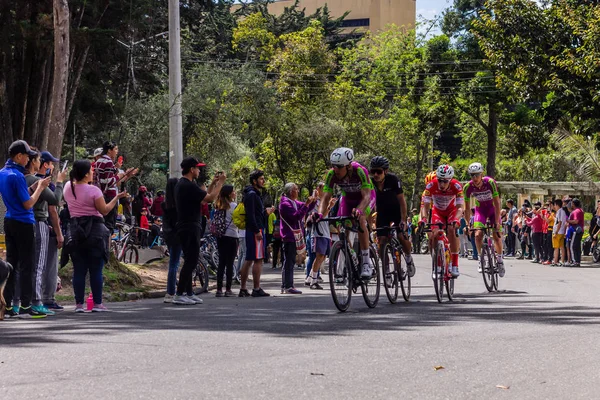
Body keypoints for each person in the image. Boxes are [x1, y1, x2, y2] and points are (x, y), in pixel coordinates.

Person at [63, 160, 127, 312]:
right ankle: (97, 303)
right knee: (95, 269)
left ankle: (79, 304)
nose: (93, 173)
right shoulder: (94, 191)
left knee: (78, 269)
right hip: (95, 231)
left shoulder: (68, 187)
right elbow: (104, 210)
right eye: (91, 170)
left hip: (75, 230)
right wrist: (116, 198)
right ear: (86, 174)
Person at [0, 140, 52, 318]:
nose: (28, 159)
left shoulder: (3, 173)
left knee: (11, 264)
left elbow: (17, 194)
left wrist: (32, 187)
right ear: (18, 156)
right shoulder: (17, 175)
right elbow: (28, 203)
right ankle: (26, 305)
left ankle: (7, 306)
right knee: (27, 265)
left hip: (9, 220)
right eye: (27, 156)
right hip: (24, 222)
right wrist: (40, 187)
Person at [173, 157, 225, 305]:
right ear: (191, 169)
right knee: (191, 260)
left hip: (187, 225)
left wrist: (213, 184)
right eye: (198, 168)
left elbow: (202, 199)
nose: (199, 170)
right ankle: (179, 294)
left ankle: (189, 293)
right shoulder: (187, 185)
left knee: (192, 260)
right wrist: (220, 183)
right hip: (189, 226)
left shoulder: (184, 184)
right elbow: (209, 198)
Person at [318, 148, 376, 278]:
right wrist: (320, 214)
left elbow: (366, 196)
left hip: (365, 197)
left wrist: (360, 209)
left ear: (348, 166)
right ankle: (351, 256)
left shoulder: (360, 171)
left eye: (339, 166)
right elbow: (325, 196)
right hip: (348, 198)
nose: (335, 169)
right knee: (343, 225)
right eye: (333, 166)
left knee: (360, 219)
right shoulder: (331, 174)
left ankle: (366, 262)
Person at [24, 149, 67, 315]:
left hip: (22, 223)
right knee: (39, 265)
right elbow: (54, 205)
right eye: (48, 162)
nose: (52, 166)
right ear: (40, 163)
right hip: (39, 223)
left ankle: (19, 302)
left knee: (25, 264)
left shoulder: (21, 179)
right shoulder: (39, 181)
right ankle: (37, 301)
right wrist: (59, 182)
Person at [369, 156, 415, 276]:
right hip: (382, 213)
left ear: (386, 171)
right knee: (382, 241)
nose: (376, 175)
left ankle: (409, 259)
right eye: (373, 172)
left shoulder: (393, 180)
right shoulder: (370, 183)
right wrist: (369, 222)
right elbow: (368, 202)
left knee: (401, 236)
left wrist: (403, 220)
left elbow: (402, 201)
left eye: (378, 171)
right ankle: (386, 270)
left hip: (396, 211)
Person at [420, 164, 464, 278]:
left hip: (451, 211)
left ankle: (454, 264)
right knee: (434, 234)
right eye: (440, 180)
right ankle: (437, 265)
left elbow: (460, 207)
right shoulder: (431, 186)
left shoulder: (457, 186)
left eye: (445, 181)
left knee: (451, 229)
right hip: (437, 212)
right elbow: (424, 206)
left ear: (450, 180)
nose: (442, 184)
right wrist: (424, 219)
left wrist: (456, 218)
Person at [463, 162, 504, 276]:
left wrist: (496, 221)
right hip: (480, 210)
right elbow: (466, 208)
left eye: (477, 175)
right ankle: (481, 260)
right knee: (477, 234)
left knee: (496, 235)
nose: (475, 178)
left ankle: (500, 260)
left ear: (482, 174)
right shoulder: (468, 187)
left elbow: (497, 202)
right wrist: (467, 224)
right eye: (472, 175)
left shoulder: (490, 182)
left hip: (492, 209)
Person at [239, 170, 273, 297]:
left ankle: (243, 289)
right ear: (255, 181)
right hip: (255, 231)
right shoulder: (252, 195)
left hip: (253, 229)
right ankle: (256, 288)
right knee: (258, 259)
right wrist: (257, 230)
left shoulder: (252, 194)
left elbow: (256, 214)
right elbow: (251, 215)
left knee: (249, 259)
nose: (263, 181)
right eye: (261, 179)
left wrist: (266, 213)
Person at [279, 183, 315, 294]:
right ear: (291, 192)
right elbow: (296, 216)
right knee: (289, 261)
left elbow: (306, 207)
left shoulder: (293, 202)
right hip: (289, 236)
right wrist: (307, 204)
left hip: (293, 236)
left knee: (290, 261)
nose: (298, 191)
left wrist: (313, 200)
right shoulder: (285, 204)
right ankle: (288, 285)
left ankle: (286, 285)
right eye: (296, 189)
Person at [93, 141, 137, 232]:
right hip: (109, 196)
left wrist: (125, 175)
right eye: (115, 149)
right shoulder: (108, 161)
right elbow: (109, 182)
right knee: (109, 226)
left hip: (101, 195)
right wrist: (119, 176)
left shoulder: (99, 161)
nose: (117, 151)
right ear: (109, 150)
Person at [214, 185, 239, 297]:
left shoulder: (219, 206)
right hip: (232, 236)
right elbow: (238, 221)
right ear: (230, 194)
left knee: (221, 263)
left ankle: (219, 289)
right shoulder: (234, 206)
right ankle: (228, 289)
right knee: (230, 263)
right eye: (233, 191)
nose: (235, 193)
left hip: (221, 236)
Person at [161, 178, 181, 303]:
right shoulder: (178, 205)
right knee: (175, 263)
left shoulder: (165, 204)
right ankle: (171, 291)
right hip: (177, 235)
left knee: (173, 263)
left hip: (168, 235)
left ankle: (170, 291)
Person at [567, 198, 584, 267]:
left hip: (575, 231)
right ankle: (577, 261)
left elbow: (576, 221)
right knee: (577, 246)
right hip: (579, 231)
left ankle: (575, 261)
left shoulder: (576, 211)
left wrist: (568, 221)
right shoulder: (580, 210)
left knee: (572, 246)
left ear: (573, 204)